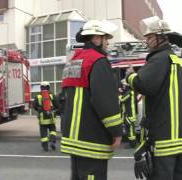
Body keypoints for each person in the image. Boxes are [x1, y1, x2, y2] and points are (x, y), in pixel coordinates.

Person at [126, 16, 182, 180]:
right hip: (177, 137)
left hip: (162, 138)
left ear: (160, 38)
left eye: (149, 37)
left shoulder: (158, 59)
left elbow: (143, 84)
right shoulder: (176, 61)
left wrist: (130, 76)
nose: (146, 41)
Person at [61, 20, 123, 180]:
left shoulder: (73, 61)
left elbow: (63, 98)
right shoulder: (98, 62)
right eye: (106, 38)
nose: (108, 43)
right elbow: (105, 101)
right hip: (91, 138)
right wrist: (116, 132)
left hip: (73, 138)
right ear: (96, 38)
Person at [33, 81, 59, 151]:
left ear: (41, 87)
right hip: (51, 117)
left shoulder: (38, 96)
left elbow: (34, 106)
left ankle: (45, 147)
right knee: (52, 130)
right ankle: (52, 141)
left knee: (43, 133)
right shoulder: (52, 95)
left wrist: (40, 109)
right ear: (48, 87)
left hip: (42, 119)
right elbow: (57, 105)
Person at [119, 80, 137, 148]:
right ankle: (132, 143)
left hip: (129, 115)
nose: (123, 86)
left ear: (128, 85)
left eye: (124, 85)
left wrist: (119, 94)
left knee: (130, 130)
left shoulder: (129, 92)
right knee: (129, 129)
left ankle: (133, 144)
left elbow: (122, 99)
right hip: (128, 114)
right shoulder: (128, 92)